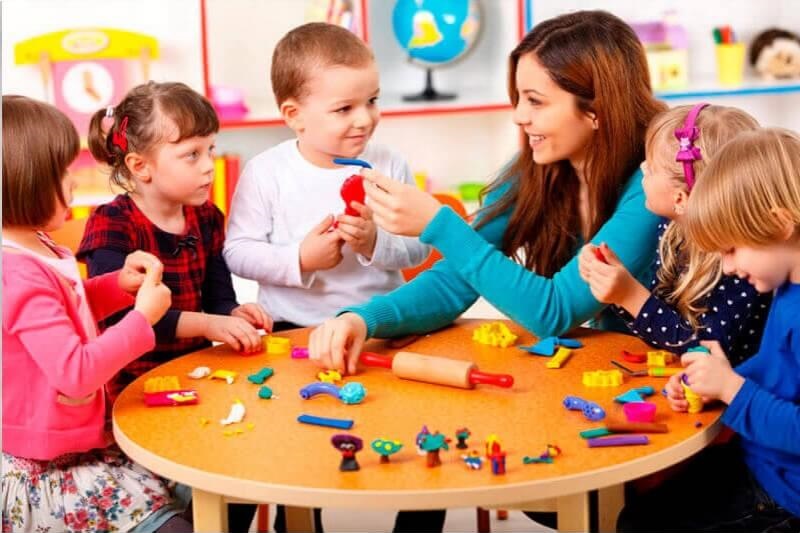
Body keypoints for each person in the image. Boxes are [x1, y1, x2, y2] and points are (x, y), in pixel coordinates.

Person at [309, 10, 666, 531]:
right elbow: (455, 281)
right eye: (518, 97)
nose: (519, 116)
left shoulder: (653, 184)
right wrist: (364, 319)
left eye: (536, 101)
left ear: (595, 110)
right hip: (594, 383)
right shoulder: (539, 171)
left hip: (662, 402)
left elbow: (554, 311)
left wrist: (440, 225)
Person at [77, 81, 269, 532]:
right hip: (133, 393)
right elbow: (124, 321)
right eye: (191, 155)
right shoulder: (112, 224)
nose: (208, 166)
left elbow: (219, 293)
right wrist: (210, 324)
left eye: (210, 150)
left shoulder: (207, 217)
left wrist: (233, 314)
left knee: (246, 473)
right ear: (140, 166)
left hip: (198, 378)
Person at [2, 95, 192, 533]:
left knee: (198, 482)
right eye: (62, 173)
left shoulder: (39, 244)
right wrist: (142, 319)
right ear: (25, 183)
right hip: (49, 466)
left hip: (80, 438)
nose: (73, 181)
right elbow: (75, 372)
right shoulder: (16, 273)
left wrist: (118, 286)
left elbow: (69, 307)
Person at [618, 128, 800, 532]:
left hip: (785, 499)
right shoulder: (787, 284)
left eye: (732, 249)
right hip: (762, 464)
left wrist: (732, 389)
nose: (729, 267)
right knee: (637, 510)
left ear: (779, 224)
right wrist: (715, 381)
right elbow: (780, 370)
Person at [223, 22, 430, 332]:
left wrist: (374, 242)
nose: (364, 119)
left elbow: (419, 246)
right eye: (344, 109)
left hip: (377, 324)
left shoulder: (389, 164)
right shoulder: (265, 172)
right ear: (295, 115)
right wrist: (300, 259)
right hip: (293, 328)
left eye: (372, 101)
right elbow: (238, 253)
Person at [579, 103, 771, 365]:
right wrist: (615, 285)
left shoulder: (739, 264)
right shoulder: (671, 229)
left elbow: (707, 353)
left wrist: (629, 295)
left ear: (680, 198)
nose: (642, 168)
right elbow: (666, 326)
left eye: (651, 168)